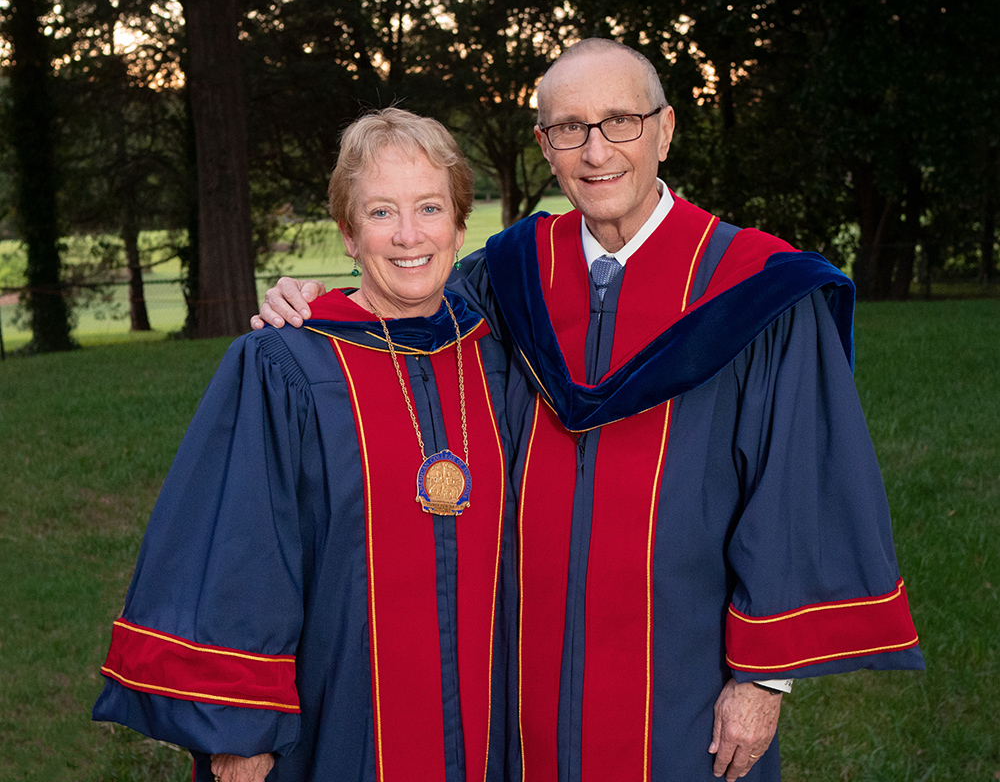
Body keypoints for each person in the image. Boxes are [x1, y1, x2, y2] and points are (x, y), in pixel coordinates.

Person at [252, 39, 923, 782]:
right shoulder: (509, 274)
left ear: (665, 131)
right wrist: (314, 302)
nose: (596, 150)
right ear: (545, 145)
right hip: (518, 674)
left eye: (621, 122)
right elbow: (409, 307)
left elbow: (793, 487)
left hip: (684, 684)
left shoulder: (756, 291)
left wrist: (763, 681)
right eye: (570, 127)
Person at [93, 108, 519, 782]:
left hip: (490, 723)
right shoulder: (285, 366)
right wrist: (241, 729)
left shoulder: (501, 358)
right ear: (349, 234)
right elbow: (240, 552)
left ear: (460, 225)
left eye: (429, 207)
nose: (409, 234)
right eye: (381, 213)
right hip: (339, 718)